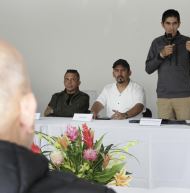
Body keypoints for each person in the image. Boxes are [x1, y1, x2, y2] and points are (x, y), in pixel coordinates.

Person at [0, 40, 116, 193]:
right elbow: (48, 112)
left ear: (79, 81)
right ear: (28, 108)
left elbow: (71, 112)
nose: (69, 82)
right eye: (66, 79)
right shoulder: (56, 95)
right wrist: (60, 111)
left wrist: (57, 111)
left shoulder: (84, 97)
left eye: (73, 79)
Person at [145, 9, 190, 120]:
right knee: (165, 135)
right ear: (162, 24)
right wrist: (161, 55)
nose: (171, 27)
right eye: (168, 23)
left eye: (174, 23)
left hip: (184, 97)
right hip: (164, 97)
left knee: (185, 133)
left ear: (179, 24)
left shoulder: (188, 42)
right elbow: (148, 69)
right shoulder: (157, 43)